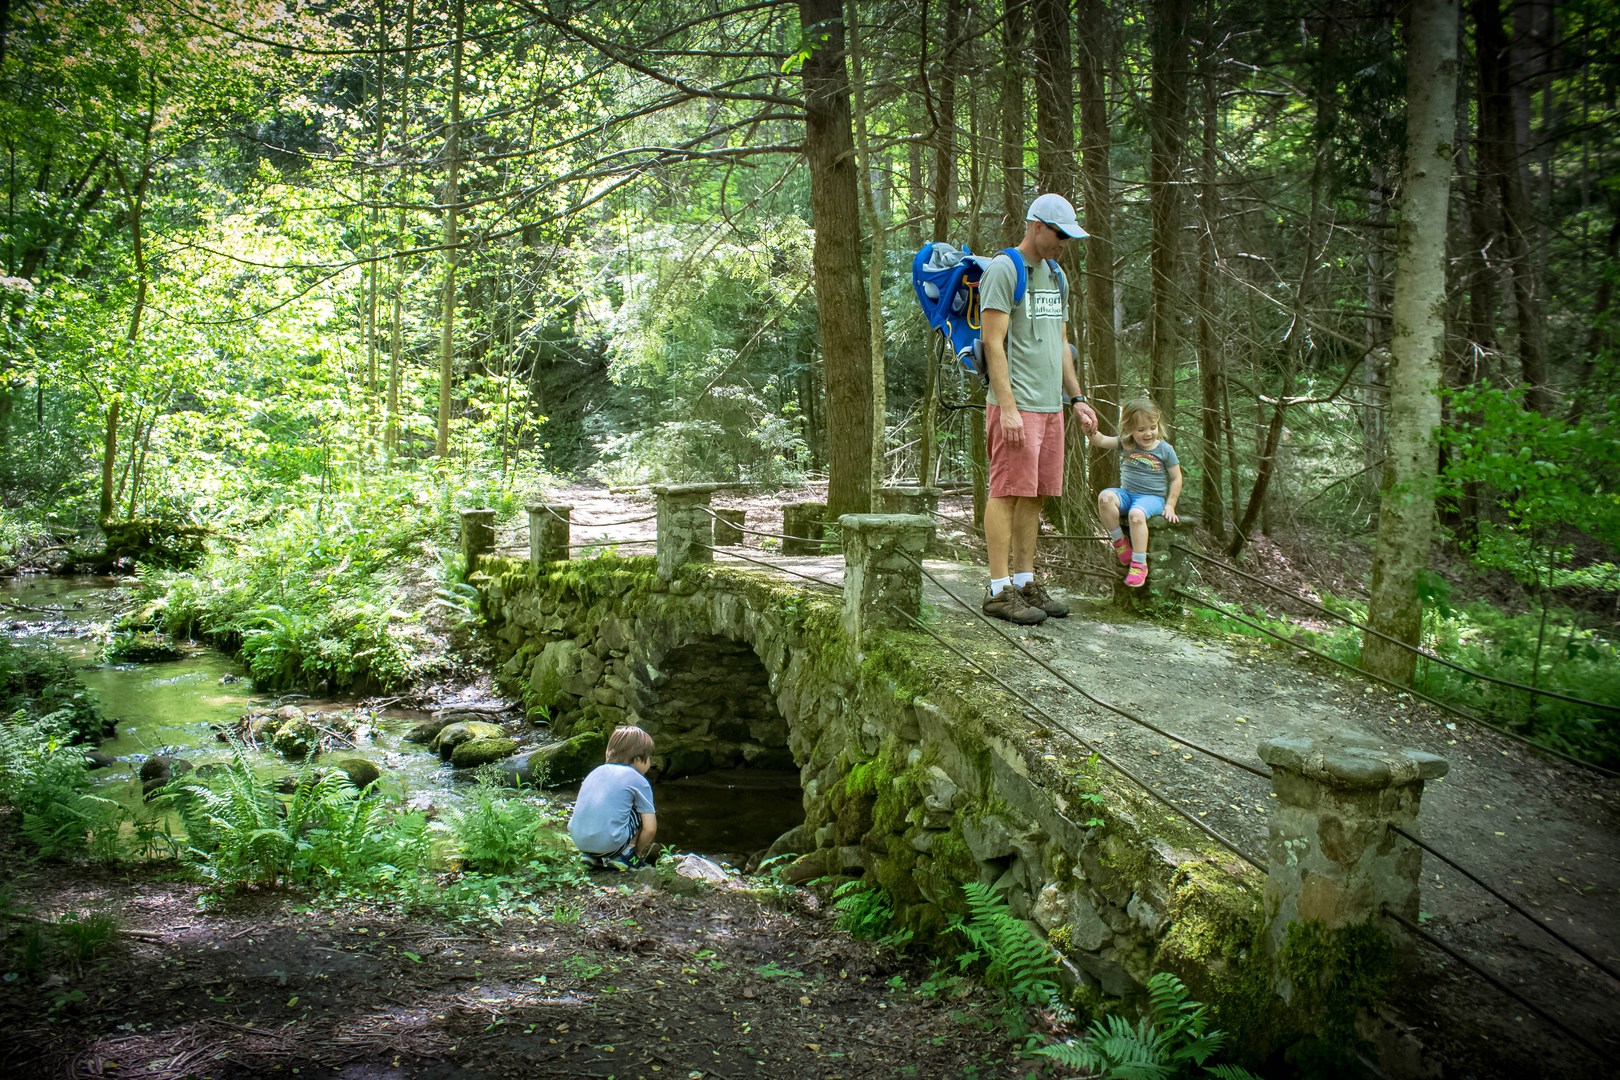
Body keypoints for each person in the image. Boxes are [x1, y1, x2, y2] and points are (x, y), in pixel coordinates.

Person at [979, 192, 1099, 624]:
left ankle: (1026, 582)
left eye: (1068, 237)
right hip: (1017, 404)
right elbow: (993, 342)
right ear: (1036, 227)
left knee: (1035, 496)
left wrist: (1077, 398)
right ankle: (998, 589)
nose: (1064, 243)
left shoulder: (1057, 275)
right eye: (1059, 234)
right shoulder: (1005, 269)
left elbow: (1061, 345)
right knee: (1007, 492)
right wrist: (1007, 407)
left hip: (1051, 406)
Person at [1086, 397, 1181, 588]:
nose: (1148, 433)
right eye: (1141, 429)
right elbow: (1101, 440)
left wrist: (1170, 504)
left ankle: (1139, 563)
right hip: (1128, 494)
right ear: (1129, 429)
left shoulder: (1165, 450)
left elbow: (1176, 477)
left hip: (1152, 499)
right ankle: (1120, 542)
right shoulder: (1126, 443)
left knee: (1136, 515)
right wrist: (1091, 432)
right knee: (1105, 498)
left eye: (1152, 427)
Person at [569, 725, 658, 870]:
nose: (650, 762)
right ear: (637, 759)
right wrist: (637, 850)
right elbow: (650, 828)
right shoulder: (638, 780)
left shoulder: (595, 772)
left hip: (579, 841)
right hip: (611, 843)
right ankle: (625, 855)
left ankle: (590, 857)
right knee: (641, 809)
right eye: (649, 758)